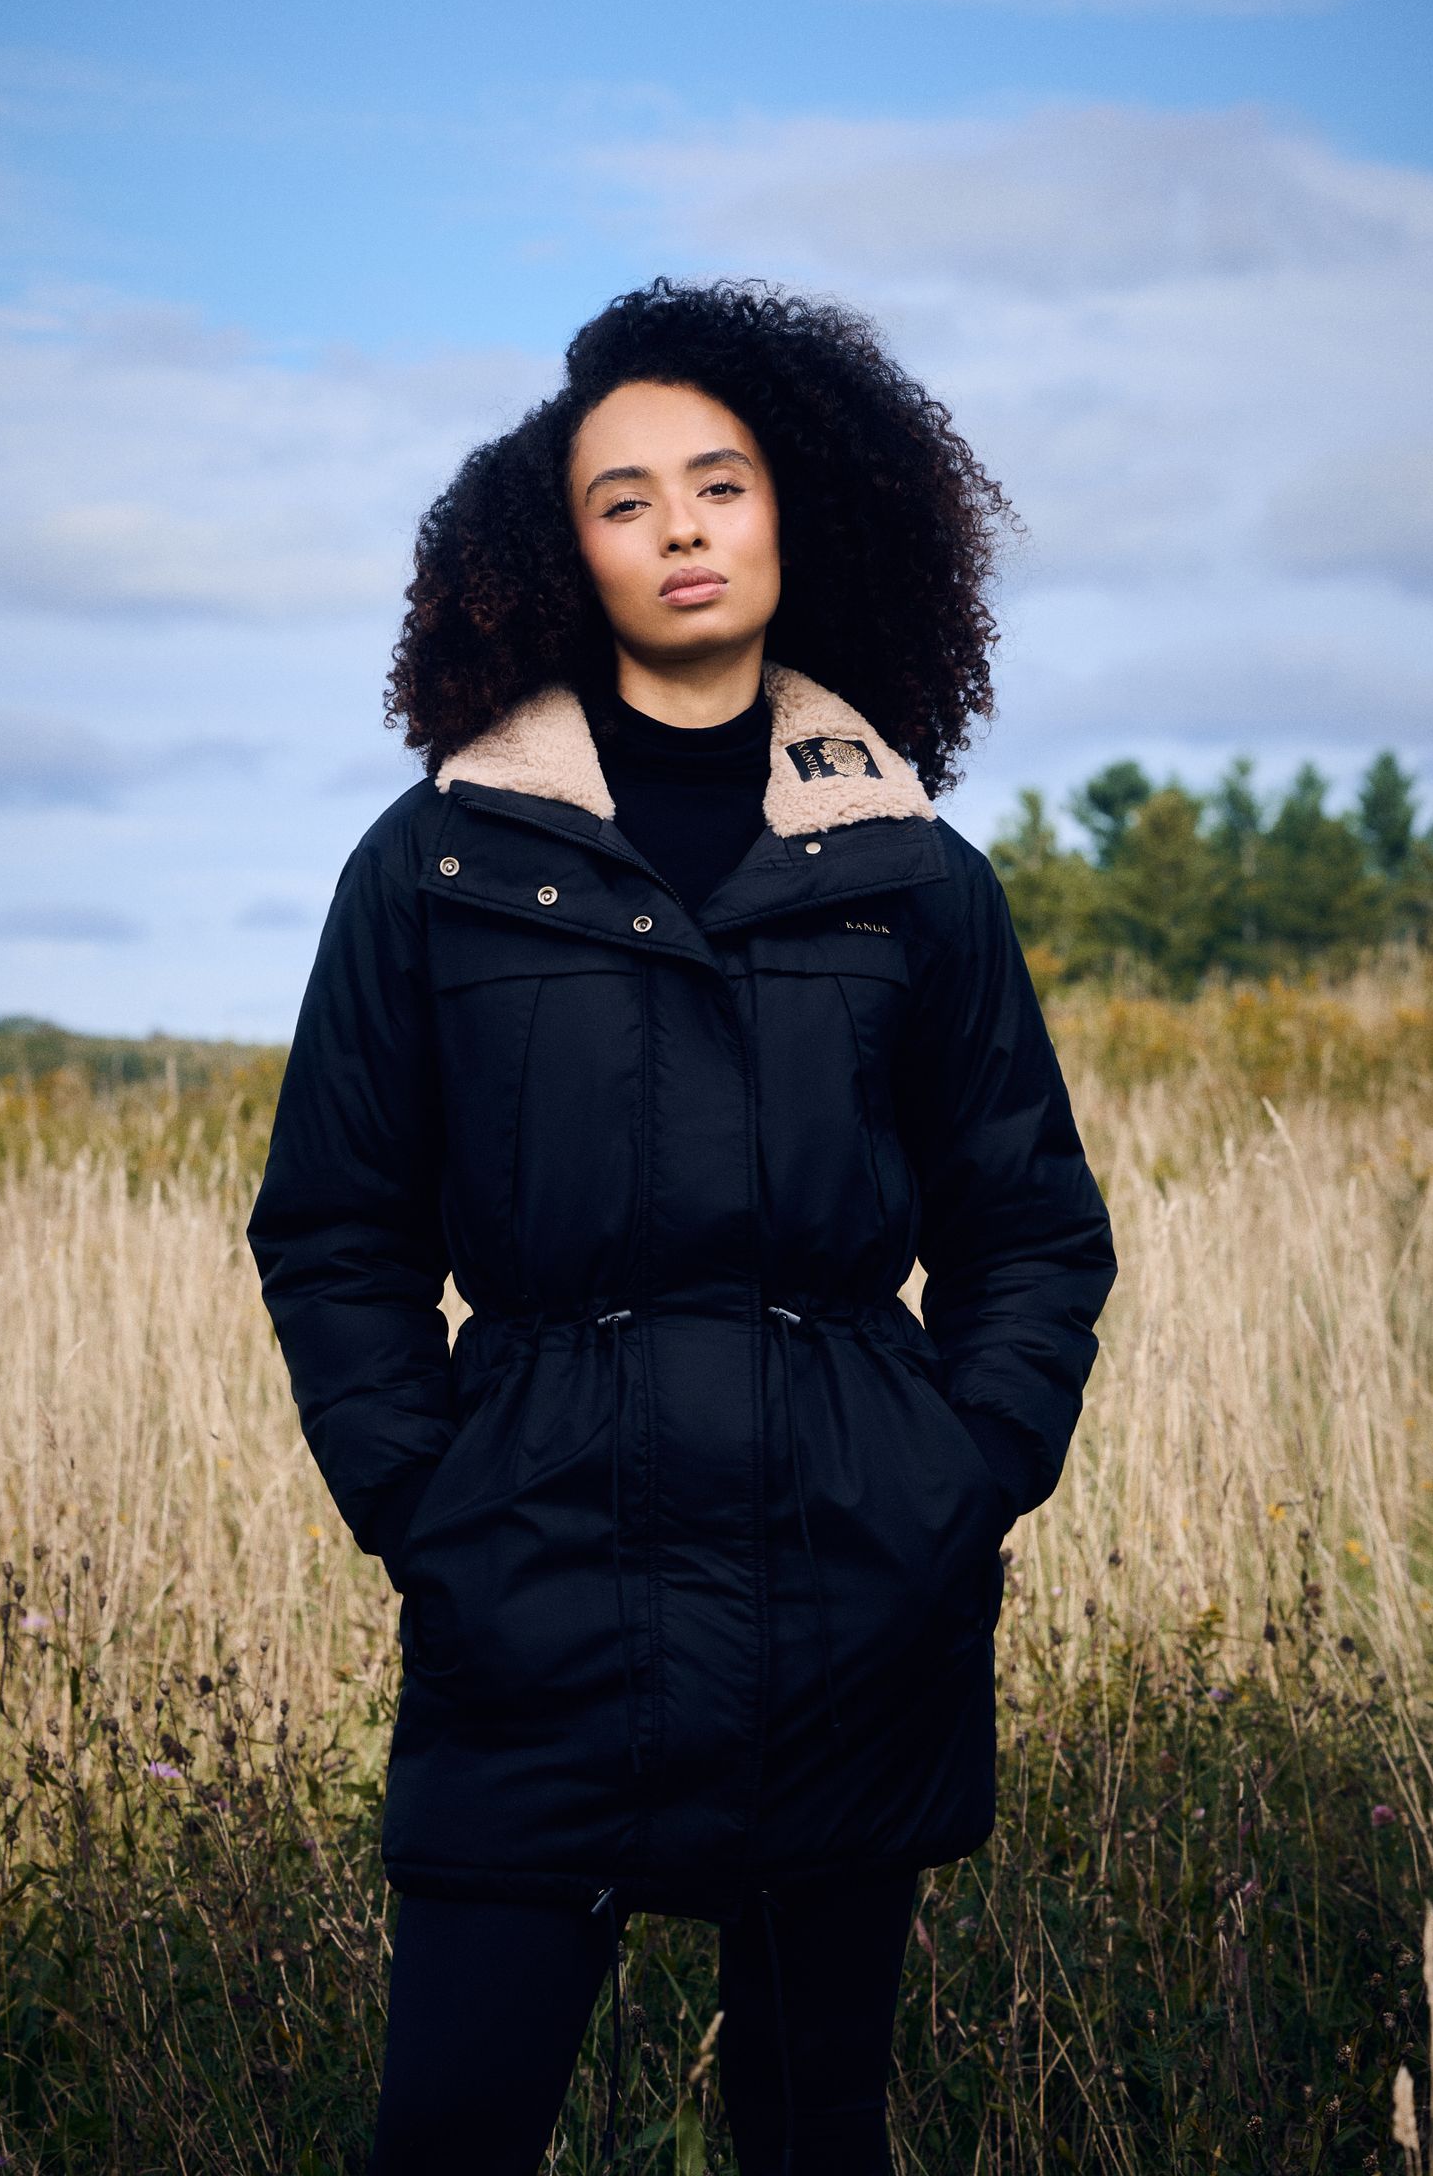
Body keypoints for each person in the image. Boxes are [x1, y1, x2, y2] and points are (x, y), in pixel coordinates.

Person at [247, 277, 1118, 2175]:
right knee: (449, 2133)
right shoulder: (439, 860)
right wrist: (430, 1503)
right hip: (534, 1588)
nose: (680, 529)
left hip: (851, 1588)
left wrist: (953, 1474)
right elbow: (334, 1224)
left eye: (716, 483)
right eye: (623, 498)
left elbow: (1033, 1224)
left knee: (816, 2140)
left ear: (798, 508)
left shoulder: (914, 873)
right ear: (554, 547)